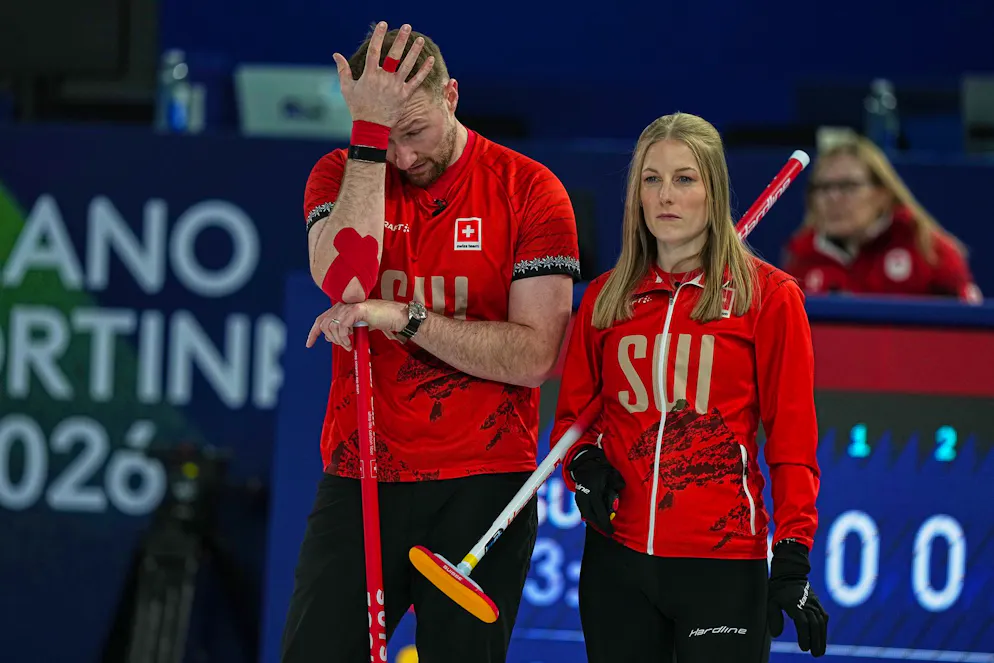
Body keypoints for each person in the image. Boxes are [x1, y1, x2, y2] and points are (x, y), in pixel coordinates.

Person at [281, 21, 581, 663]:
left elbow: (536, 359)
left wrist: (405, 318)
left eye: (413, 133)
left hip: (484, 482)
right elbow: (347, 278)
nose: (404, 160)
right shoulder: (343, 173)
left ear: (452, 97)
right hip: (361, 472)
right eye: (382, 139)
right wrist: (368, 141)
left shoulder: (530, 190)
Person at [550, 112, 829, 663]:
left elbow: (793, 440)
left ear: (713, 190)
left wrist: (793, 550)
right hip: (616, 561)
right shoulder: (606, 299)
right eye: (651, 179)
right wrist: (582, 466)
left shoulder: (769, 298)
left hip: (721, 566)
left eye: (685, 178)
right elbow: (573, 424)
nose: (665, 196)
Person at [782, 135, 982, 303]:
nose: (833, 198)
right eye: (823, 188)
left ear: (882, 194)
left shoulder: (928, 249)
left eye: (848, 186)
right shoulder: (800, 257)